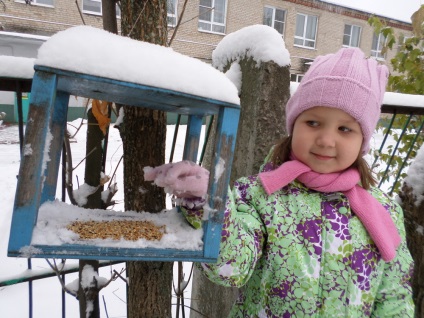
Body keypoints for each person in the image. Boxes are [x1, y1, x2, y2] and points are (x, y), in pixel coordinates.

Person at [144, 47, 414, 317]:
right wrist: (208, 200)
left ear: (363, 140)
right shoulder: (258, 195)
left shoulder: (383, 211)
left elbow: (394, 296)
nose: (326, 140)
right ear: (293, 125)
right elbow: (231, 268)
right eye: (313, 122)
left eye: (345, 129)